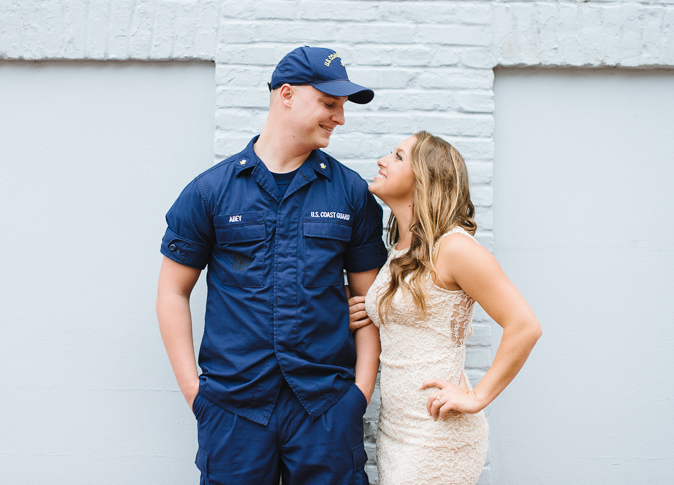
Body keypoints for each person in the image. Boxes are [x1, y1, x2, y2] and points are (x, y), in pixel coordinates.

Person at [156, 46, 388, 484]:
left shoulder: (351, 193)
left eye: (341, 107)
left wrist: (359, 392)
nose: (340, 118)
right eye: (329, 103)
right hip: (234, 406)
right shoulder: (210, 192)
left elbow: (371, 300)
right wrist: (195, 393)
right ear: (286, 94)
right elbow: (172, 291)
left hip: (326, 405)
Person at [348, 131, 542, 485]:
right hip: (396, 429)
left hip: (438, 431)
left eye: (398, 156)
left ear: (425, 177)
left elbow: (524, 325)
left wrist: (478, 396)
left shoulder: (454, 248)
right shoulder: (399, 250)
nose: (383, 161)